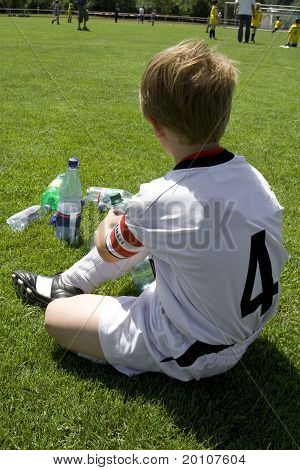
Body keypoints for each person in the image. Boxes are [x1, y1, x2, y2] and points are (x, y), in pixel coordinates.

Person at [12, 40, 287, 382]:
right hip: (246, 325)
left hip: (194, 346)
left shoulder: (161, 199)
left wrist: (114, 218)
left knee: (57, 316)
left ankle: (66, 296)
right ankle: (68, 282)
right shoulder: (253, 177)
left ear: (155, 125)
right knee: (145, 231)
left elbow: (107, 249)